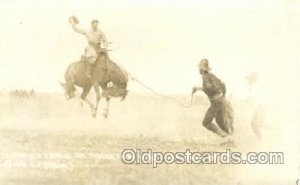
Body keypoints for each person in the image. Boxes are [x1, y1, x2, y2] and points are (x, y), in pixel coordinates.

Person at [192, 59, 234, 144]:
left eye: (199, 68)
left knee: (206, 122)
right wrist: (223, 96)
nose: (198, 70)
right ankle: (231, 139)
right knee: (220, 122)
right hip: (221, 101)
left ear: (202, 69)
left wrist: (199, 88)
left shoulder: (205, 77)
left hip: (216, 103)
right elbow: (223, 84)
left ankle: (226, 137)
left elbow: (210, 88)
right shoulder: (212, 75)